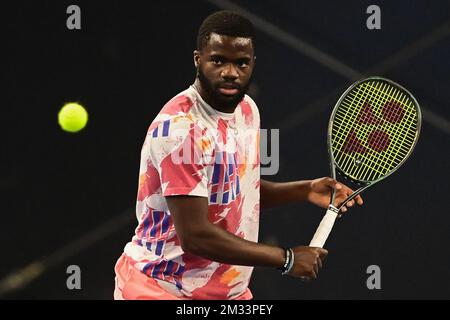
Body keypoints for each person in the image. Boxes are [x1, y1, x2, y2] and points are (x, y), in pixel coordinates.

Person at [114, 10, 363, 300]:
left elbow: (236, 193)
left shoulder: (247, 111)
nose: (230, 72)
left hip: (226, 293)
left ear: (252, 63)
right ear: (198, 59)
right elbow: (195, 236)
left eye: (241, 63)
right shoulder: (181, 131)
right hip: (160, 289)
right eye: (218, 60)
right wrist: (286, 258)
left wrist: (304, 190)